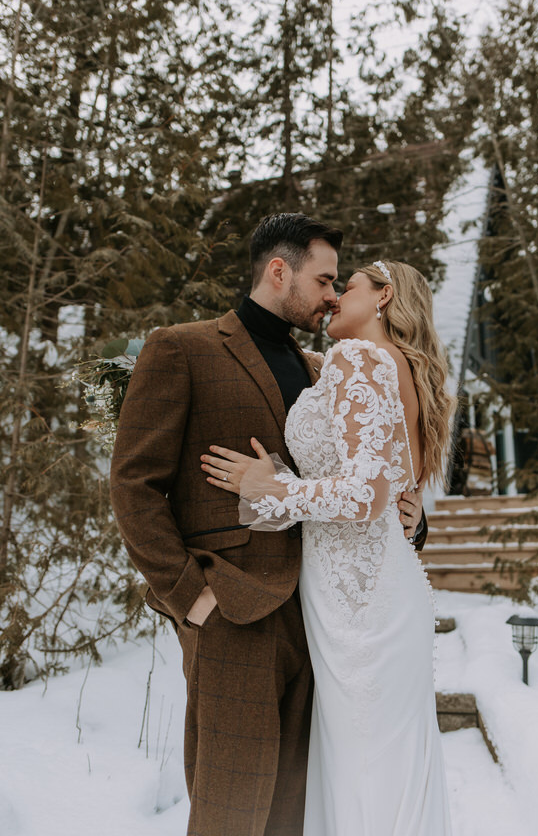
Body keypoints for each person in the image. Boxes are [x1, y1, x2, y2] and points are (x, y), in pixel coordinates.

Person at [110, 214, 425, 836]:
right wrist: (189, 597)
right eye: (326, 279)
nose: (335, 296)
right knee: (232, 806)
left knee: (296, 809)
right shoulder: (183, 346)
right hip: (231, 609)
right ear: (279, 271)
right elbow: (134, 485)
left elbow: (362, 471)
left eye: (341, 283)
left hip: (321, 617)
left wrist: (409, 517)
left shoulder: (321, 369)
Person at [201, 259, 455, 836]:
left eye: (351, 285)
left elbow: (366, 493)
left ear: (384, 296)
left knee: (362, 765)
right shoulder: (393, 368)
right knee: (379, 765)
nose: (336, 296)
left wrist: (273, 488)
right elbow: (390, 487)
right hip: (376, 583)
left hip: (357, 602)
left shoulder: (359, 359)